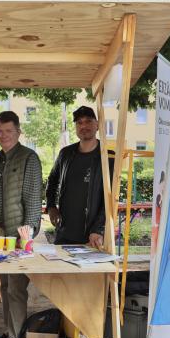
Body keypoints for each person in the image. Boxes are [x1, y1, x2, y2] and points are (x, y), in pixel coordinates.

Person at [0, 111, 42, 338]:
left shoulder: (29, 157)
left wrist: (29, 231)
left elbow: (32, 197)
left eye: (8, 131)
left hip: (18, 234)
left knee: (17, 288)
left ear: (18, 132)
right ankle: (10, 332)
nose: (3, 135)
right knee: (6, 286)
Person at [46, 105, 114, 248]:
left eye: (88, 121)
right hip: (64, 234)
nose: (84, 126)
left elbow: (110, 198)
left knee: (91, 271)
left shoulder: (108, 157)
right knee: (60, 270)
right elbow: (52, 181)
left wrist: (98, 229)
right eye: (79, 123)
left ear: (97, 124)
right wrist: (51, 206)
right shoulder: (65, 154)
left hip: (92, 237)